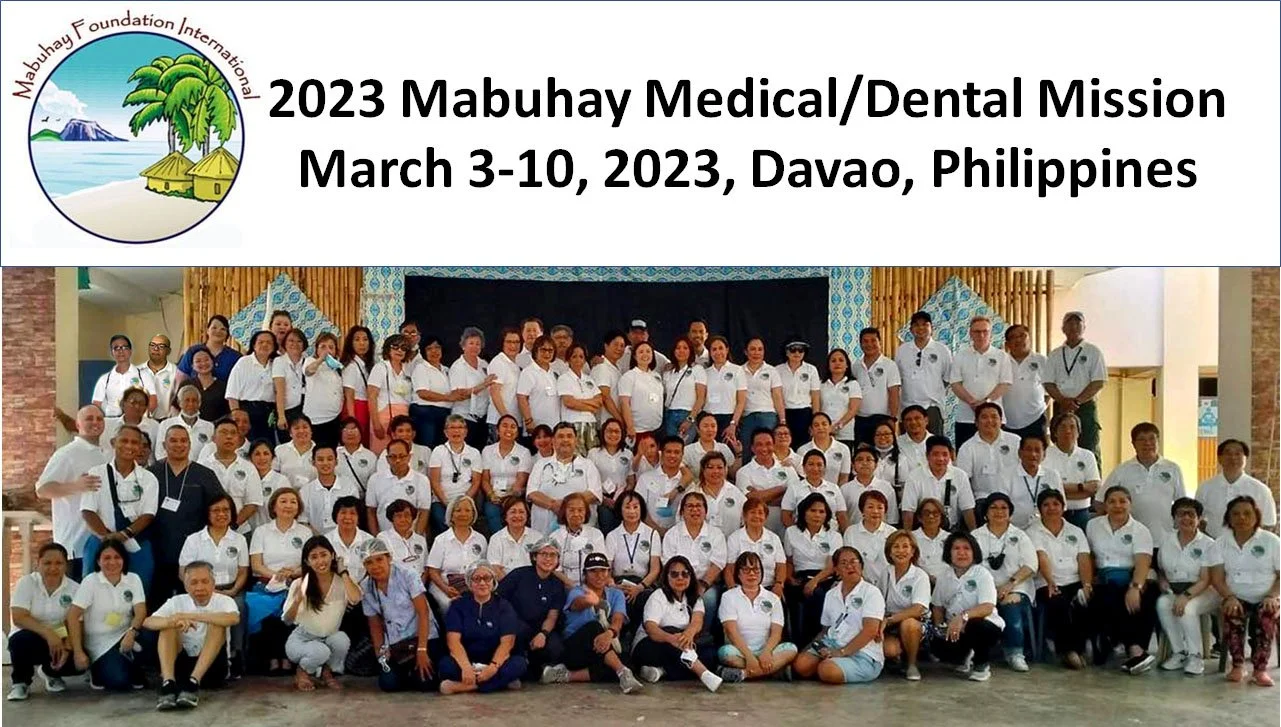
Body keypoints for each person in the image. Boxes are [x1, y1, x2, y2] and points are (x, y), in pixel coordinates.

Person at [146, 425, 226, 612]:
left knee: (194, 606)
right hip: (158, 551)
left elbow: (219, 508)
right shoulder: (151, 473)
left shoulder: (205, 474)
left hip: (195, 553)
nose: (179, 445)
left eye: (183, 441)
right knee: (158, 605)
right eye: (173, 440)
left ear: (190, 445)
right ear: (164, 445)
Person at [540, 552, 644, 693]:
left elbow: (618, 619)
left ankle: (565, 675)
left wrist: (610, 633)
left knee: (628, 662)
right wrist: (591, 601)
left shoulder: (616, 594)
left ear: (609, 572)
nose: (599, 575)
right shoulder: (576, 591)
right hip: (576, 648)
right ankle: (622, 672)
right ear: (585, 574)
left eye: (603, 570)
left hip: (602, 646)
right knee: (594, 627)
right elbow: (577, 604)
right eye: (593, 571)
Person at [145, 561, 240, 709]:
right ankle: (168, 684)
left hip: (212, 669)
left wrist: (191, 616)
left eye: (205, 581)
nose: (200, 587)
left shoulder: (224, 601)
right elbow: (148, 622)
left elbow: (233, 618)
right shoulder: (176, 601)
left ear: (213, 583)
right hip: (181, 666)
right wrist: (173, 620)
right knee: (167, 627)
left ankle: (193, 682)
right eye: (194, 582)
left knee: (217, 625)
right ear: (185, 585)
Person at [1086, 485, 1159, 674]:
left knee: (1145, 596)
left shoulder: (1140, 530)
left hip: (1131, 575)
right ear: (1105, 505)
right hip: (1103, 579)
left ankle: (1135, 649)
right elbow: (1089, 556)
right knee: (1109, 595)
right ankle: (1135, 650)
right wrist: (1089, 580)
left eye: (1122, 501)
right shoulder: (1093, 525)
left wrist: (1135, 587)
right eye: (1112, 501)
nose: (1117, 505)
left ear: (1130, 504)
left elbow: (1143, 561)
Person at [1211, 495, 1281, 685]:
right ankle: (1237, 666)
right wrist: (1229, 597)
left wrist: (1272, 595)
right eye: (1236, 514)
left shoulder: (1271, 541)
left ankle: (1260, 670)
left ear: (1256, 516)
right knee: (1232, 611)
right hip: (1235, 595)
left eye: (1247, 513)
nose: (1241, 518)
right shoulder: (1220, 543)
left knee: (1267, 613)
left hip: (1267, 596)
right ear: (1228, 518)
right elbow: (1217, 578)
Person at [80, 424, 158, 592]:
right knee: (92, 592)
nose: (129, 446)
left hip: (136, 541)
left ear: (140, 447)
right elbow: (87, 510)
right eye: (124, 441)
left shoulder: (148, 478)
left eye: (135, 442)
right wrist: (107, 538)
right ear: (113, 442)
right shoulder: (96, 473)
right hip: (100, 540)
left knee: (138, 592)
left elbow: (148, 515)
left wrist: (123, 535)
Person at [179, 493, 251, 674]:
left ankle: (235, 654)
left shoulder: (239, 539)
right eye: (216, 510)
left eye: (226, 510)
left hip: (231, 589)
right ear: (207, 513)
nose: (221, 514)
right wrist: (204, 591)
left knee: (239, 606)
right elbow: (183, 572)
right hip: (200, 591)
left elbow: (243, 571)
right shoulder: (194, 540)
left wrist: (233, 591)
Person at [361, 538, 445, 693]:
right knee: (388, 684)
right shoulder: (366, 586)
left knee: (427, 684)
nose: (375, 566)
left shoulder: (407, 574)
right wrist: (381, 656)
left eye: (379, 559)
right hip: (396, 644)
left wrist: (422, 650)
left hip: (423, 638)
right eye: (369, 562)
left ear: (389, 558)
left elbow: (423, 612)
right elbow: (375, 624)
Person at [793, 546, 885, 684]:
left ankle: (833, 667)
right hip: (832, 644)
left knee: (827, 670)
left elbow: (870, 631)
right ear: (836, 570)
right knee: (801, 665)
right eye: (843, 563)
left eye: (854, 561)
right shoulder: (831, 594)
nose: (850, 566)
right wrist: (811, 649)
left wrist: (842, 652)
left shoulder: (872, 592)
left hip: (863, 653)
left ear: (861, 566)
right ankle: (833, 666)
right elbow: (826, 629)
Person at [36, 405, 109, 580]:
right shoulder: (67, 454)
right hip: (76, 544)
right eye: (89, 418)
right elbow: (42, 489)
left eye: (99, 419)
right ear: (77, 424)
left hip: (102, 543)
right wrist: (76, 486)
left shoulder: (106, 454)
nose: (95, 422)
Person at [631, 555, 723, 692]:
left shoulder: (694, 598)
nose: (680, 578)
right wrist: (672, 639)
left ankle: (662, 671)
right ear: (666, 577)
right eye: (674, 574)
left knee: (710, 656)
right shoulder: (658, 596)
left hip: (681, 647)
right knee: (671, 630)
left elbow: (697, 621)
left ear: (691, 577)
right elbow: (651, 629)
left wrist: (688, 634)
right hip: (650, 645)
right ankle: (703, 673)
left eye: (685, 574)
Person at [282, 536, 362, 690]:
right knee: (321, 651)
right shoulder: (299, 583)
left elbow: (355, 598)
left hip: (330, 636)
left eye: (324, 555)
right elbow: (287, 620)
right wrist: (297, 601)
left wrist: (344, 572)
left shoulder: (343, 581)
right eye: (314, 557)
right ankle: (302, 672)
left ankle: (327, 673)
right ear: (307, 562)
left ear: (332, 556)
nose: (320, 561)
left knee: (341, 640)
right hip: (302, 640)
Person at [970, 493, 1038, 672]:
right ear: (985, 513)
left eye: (1003, 508)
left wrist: (1009, 585)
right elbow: (970, 566)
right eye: (993, 507)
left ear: (1010, 513)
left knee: (1010, 604)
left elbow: (1031, 565)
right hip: (984, 588)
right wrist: (990, 589)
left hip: (1016, 587)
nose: (999, 511)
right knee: (975, 606)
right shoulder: (976, 535)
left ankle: (1015, 653)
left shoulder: (1020, 535)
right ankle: (974, 654)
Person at [67, 539, 147, 691]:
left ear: (124, 559)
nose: (112, 562)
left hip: (126, 635)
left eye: (117, 557)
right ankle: (97, 671)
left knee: (151, 638)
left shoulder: (133, 579)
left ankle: (129, 666)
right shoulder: (91, 582)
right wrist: (78, 651)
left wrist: (131, 632)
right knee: (120, 681)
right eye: (107, 558)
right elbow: (72, 616)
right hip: (100, 643)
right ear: (98, 561)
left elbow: (141, 611)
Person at [436, 561, 527, 694]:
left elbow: (507, 643)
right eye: (476, 579)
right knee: (446, 666)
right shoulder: (458, 606)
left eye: (487, 578)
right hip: (467, 660)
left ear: (493, 581)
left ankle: (467, 686)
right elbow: (453, 641)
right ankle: (500, 683)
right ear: (469, 583)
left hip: (495, 661)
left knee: (519, 664)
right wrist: (466, 667)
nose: (482, 583)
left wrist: (493, 668)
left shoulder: (504, 606)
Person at [1026, 489, 1093, 669]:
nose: (1051, 508)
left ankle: (1078, 649)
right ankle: (1067, 651)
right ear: (1039, 509)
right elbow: (1041, 557)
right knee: (1059, 604)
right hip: (1046, 583)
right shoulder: (1033, 532)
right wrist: (1050, 581)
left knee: (1085, 603)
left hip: (1074, 581)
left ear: (1063, 507)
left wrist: (1086, 585)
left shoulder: (1076, 531)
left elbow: (1084, 559)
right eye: (1046, 505)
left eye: (1056, 504)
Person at [248, 487, 311, 674]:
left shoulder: (305, 532)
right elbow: (256, 565)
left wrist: (292, 574)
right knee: (264, 608)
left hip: (296, 582)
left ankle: (289, 657)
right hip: (266, 583)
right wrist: (277, 575)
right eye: (283, 501)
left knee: (293, 606)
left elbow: (310, 563)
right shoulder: (261, 531)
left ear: (298, 508)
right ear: (273, 506)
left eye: (293, 502)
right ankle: (272, 658)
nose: (288, 505)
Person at [6, 543, 80, 702]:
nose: (53, 568)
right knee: (20, 641)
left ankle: (51, 673)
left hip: (61, 635)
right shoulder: (26, 583)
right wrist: (48, 634)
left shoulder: (74, 588)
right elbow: (19, 617)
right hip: (31, 633)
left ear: (66, 565)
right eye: (47, 563)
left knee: (78, 663)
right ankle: (20, 683)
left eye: (59, 563)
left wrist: (67, 647)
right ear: (38, 563)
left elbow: (74, 622)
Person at [1155, 497, 1219, 675]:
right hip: (1175, 589)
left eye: (1191, 514)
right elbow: (1161, 570)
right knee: (1162, 604)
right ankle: (1179, 652)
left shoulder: (1208, 544)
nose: (1186, 518)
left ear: (1199, 518)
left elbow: (1206, 579)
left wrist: (1186, 596)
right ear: (1174, 518)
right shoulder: (1166, 541)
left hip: (1206, 591)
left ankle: (1195, 656)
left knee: (1187, 608)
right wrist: (1162, 581)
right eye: (1180, 514)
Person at [930, 531, 1005, 681]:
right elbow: (938, 607)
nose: (961, 553)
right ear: (949, 553)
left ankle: (981, 666)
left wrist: (962, 617)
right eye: (956, 548)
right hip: (955, 628)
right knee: (936, 646)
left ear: (974, 552)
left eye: (966, 548)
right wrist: (940, 629)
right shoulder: (944, 576)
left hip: (984, 625)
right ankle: (965, 656)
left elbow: (987, 607)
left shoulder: (982, 574)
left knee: (975, 626)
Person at [717, 551, 797, 682]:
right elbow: (731, 631)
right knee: (725, 653)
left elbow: (776, 633)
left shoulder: (773, 598)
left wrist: (766, 653)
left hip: (767, 652)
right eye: (746, 570)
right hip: (740, 652)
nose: (752, 574)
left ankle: (743, 674)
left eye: (756, 570)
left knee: (791, 649)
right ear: (738, 574)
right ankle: (774, 671)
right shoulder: (728, 597)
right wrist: (749, 658)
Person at [1099, 422, 1187, 541]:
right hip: (1130, 539)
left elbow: (1182, 504)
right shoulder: (1122, 470)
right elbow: (1100, 501)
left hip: (1165, 539)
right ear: (1133, 444)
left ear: (1158, 441)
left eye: (1152, 438)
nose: (1147, 443)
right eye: (1142, 439)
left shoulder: (1173, 469)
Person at [495, 537, 566, 676]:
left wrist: (543, 634)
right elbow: (498, 599)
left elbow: (552, 616)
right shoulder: (518, 575)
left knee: (556, 648)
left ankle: (535, 669)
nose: (548, 559)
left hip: (540, 628)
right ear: (534, 557)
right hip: (514, 625)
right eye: (543, 554)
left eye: (553, 555)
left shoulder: (557, 584)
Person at [1044, 311, 1107, 460]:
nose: (1073, 326)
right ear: (1063, 328)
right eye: (1069, 323)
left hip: (1085, 406)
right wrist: (1063, 401)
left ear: (1084, 327)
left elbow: (1098, 381)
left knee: (1089, 447)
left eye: (1078, 323)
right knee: (1060, 447)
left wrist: (1077, 401)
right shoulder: (1055, 354)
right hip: (1061, 406)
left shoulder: (1093, 352)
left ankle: (1092, 475)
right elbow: (1048, 382)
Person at [784, 493, 842, 645]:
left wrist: (814, 581)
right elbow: (789, 561)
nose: (817, 515)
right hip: (800, 577)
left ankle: (814, 642)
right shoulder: (791, 532)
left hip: (824, 578)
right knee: (790, 595)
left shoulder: (834, 536)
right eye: (813, 510)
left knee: (817, 594)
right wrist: (789, 577)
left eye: (821, 511)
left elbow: (831, 567)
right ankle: (795, 643)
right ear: (804, 512)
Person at [948, 316, 1013, 449]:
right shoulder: (961, 356)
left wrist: (986, 402)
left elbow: (1005, 383)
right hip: (966, 417)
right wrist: (972, 402)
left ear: (991, 333)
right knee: (965, 455)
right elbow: (955, 383)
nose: (981, 335)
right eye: (977, 332)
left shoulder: (1002, 356)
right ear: (970, 333)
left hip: (993, 418)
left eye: (985, 331)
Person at [527, 423, 603, 534]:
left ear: (576, 440)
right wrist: (553, 505)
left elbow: (594, 493)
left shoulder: (588, 465)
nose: (565, 440)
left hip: (581, 533)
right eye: (561, 436)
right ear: (553, 441)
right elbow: (532, 493)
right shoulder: (541, 464)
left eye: (569, 436)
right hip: (544, 531)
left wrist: (568, 506)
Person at [663, 491, 728, 619]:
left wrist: (703, 585)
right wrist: (683, 584)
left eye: (699, 506)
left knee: (708, 599)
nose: (695, 510)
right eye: (690, 506)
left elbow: (717, 564)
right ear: (682, 512)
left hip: (706, 584)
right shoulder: (672, 534)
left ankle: (703, 631)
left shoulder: (716, 534)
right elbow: (668, 564)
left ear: (705, 511)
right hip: (677, 582)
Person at [955, 402, 1022, 522]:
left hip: (1014, 497)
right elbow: (963, 482)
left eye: (994, 417)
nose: (989, 421)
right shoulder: (967, 448)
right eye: (984, 417)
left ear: (1001, 420)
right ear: (976, 422)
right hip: (983, 500)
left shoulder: (1016, 441)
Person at [1197, 439, 1278, 539]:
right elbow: (1197, 520)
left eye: (1238, 453)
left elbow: (1269, 524)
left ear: (1245, 458)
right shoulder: (1205, 488)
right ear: (1219, 458)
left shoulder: (1260, 489)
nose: (1233, 457)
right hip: (1215, 545)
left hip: (1249, 546)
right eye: (1228, 453)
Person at [878, 530, 931, 681]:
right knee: (890, 650)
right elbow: (880, 600)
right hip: (890, 621)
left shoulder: (920, 575)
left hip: (915, 622)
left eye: (905, 546)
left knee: (909, 624)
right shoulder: (886, 572)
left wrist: (890, 620)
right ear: (889, 552)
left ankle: (912, 664)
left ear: (913, 551)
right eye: (896, 547)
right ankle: (896, 658)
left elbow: (918, 609)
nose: (900, 551)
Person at [603, 491, 663, 617]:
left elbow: (655, 569)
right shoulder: (612, 536)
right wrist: (613, 585)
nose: (632, 511)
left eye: (635, 507)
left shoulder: (652, 534)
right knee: (617, 598)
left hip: (643, 583)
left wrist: (640, 587)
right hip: (619, 584)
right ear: (620, 509)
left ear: (641, 509)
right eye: (627, 507)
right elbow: (607, 568)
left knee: (646, 599)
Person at [901, 435, 977, 532]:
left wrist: (974, 534)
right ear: (927, 456)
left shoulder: (960, 475)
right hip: (923, 529)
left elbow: (967, 509)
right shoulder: (914, 476)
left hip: (952, 529)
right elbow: (908, 510)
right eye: (935, 454)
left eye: (945, 454)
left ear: (950, 455)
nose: (941, 459)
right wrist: (908, 535)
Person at [200, 420, 263, 534]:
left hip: (240, 531)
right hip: (208, 531)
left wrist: (233, 525)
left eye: (233, 433)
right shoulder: (203, 466)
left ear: (238, 439)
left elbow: (253, 503)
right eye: (224, 432)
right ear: (213, 438)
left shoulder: (248, 467)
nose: (229, 437)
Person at [426, 496, 488, 610]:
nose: (463, 514)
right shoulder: (441, 540)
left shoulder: (481, 539)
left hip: (472, 585)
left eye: (467, 510)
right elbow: (433, 571)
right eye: (458, 510)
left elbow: (484, 568)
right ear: (451, 515)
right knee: (454, 605)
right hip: (445, 585)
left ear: (473, 514)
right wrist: (445, 588)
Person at [1043, 412, 1102, 530]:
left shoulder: (1087, 455)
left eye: (1072, 427)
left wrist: (1061, 489)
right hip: (1054, 514)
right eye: (1063, 427)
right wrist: (1082, 487)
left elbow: (1094, 487)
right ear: (1055, 432)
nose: (1068, 431)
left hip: (1082, 514)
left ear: (1078, 433)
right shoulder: (1046, 454)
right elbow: (1045, 488)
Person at [895, 311, 951, 435]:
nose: (920, 328)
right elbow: (898, 380)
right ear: (911, 329)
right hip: (907, 407)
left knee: (934, 444)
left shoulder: (942, 350)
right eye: (916, 325)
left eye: (925, 324)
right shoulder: (902, 350)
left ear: (932, 328)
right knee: (907, 444)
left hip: (932, 407)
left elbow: (947, 379)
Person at [992, 434, 1064, 530]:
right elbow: (1000, 507)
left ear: (1044, 455)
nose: (1033, 454)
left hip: (1045, 530)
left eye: (1037, 450)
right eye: (1029, 450)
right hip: (1014, 529)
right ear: (1019, 453)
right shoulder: (1005, 475)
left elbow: (1061, 507)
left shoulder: (1053, 475)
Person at [736, 428, 801, 533]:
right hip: (756, 531)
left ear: (774, 445)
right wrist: (782, 489)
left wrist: (762, 496)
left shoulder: (788, 469)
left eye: (768, 444)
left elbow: (795, 497)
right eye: (759, 444)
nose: (764, 448)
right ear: (752, 448)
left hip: (786, 529)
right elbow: (751, 500)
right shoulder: (743, 472)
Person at [428, 415, 483, 534]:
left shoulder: (474, 453)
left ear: (466, 432)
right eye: (452, 427)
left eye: (460, 427)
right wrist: (448, 504)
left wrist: (464, 501)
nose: (456, 431)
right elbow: (434, 482)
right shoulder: (438, 451)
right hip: (442, 501)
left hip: (465, 500)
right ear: (445, 432)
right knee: (444, 523)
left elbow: (476, 482)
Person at [481, 415, 534, 534]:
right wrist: (491, 495)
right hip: (494, 495)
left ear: (517, 432)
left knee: (514, 509)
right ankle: (499, 539)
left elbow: (521, 480)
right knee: (491, 510)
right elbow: (485, 479)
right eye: (505, 426)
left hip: (514, 496)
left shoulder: (524, 452)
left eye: (513, 427)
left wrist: (508, 497)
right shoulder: (487, 451)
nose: (509, 429)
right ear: (497, 430)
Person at [365, 439, 432, 535]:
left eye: (402, 456)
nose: (398, 460)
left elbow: (424, 512)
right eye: (393, 457)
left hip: (411, 536)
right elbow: (371, 510)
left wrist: (416, 537)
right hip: (384, 536)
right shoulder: (375, 479)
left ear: (409, 457)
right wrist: (377, 537)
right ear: (387, 459)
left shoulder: (422, 480)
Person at [725, 498, 787, 598]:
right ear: (744, 516)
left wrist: (779, 584)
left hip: (769, 588)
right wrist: (733, 591)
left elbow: (781, 566)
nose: (757, 516)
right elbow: (729, 569)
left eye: (760, 513)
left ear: (766, 517)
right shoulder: (734, 538)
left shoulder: (774, 538)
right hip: (741, 589)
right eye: (752, 512)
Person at [226, 331, 279, 445]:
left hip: (268, 414)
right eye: (261, 342)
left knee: (266, 446)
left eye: (269, 342)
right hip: (246, 413)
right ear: (254, 345)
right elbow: (232, 394)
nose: (265, 345)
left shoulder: (277, 364)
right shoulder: (243, 362)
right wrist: (236, 418)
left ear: (274, 347)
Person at [548, 492, 610, 587]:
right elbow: (554, 568)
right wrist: (572, 586)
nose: (576, 514)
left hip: (591, 586)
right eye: (571, 510)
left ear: (586, 512)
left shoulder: (596, 534)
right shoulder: (555, 537)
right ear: (564, 512)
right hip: (563, 587)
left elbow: (601, 565)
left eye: (580, 510)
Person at [852, 328, 901, 446]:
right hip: (860, 419)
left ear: (880, 342)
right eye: (865, 341)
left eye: (873, 340)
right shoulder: (855, 366)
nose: (869, 344)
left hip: (882, 419)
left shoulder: (889, 365)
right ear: (860, 344)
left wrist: (892, 419)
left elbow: (894, 393)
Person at [449, 327, 496, 450]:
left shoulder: (484, 364)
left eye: (478, 344)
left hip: (482, 418)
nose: (475, 347)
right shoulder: (458, 367)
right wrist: (483, 385)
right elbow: (459, 394)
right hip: (464, 418)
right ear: (463, 346)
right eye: (471, 343)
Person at [367, 334, 414, 455]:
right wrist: (376, 424)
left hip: (403, 417)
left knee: (402, 452)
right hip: (383, 415)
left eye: (403, 348)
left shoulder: (407, 369)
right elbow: (372, 396)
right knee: (382, 452)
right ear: (388, 348)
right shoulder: (380, 367)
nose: (399, 350)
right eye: (395, 346)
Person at [406, 334, 455, 449]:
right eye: (429, 348)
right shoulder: (421, 368)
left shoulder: (446, 370)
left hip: (444, 414)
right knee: (427, 448)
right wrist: (448, 398)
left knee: (441, 450)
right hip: (426, 414)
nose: (434, 351)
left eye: (437, 347)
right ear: (424, 352)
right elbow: (423, 393)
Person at [1001, 324, 1049, 440]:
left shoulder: (1042, 360)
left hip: (1035, 421)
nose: (1018, 340)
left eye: (1022, 335)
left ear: (1029, 338)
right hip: (1007, 423)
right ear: (1007, 344)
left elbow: (1050, 390)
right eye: (1013, 337)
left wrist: (1042, 408)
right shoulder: (1001, 362)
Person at [739, 337, 785, 455]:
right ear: (746, 352)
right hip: (747, 417)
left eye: (760, 349)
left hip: (768, 417)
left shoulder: (772, 371)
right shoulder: (739, 371)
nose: (756, 353)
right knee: (748, 452)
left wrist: (782, 420)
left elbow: (777, 397)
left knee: (767, 452)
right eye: (753, 349)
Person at [92, 334, 158, 418]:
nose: (120, 351)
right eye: (116, 348)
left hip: (138, 420)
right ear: (112, 353)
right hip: (112, 420)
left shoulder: (144, 375)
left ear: (130, 351)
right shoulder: (104, 379)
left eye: (124, 347)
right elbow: (96, 404)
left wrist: (141, 417)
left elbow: (153, 401)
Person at [298, 445, 360, 532]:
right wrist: (318, 537)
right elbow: (303, 521)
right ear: (313, 462)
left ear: (336, 462)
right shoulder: (305, 491)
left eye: (330, 459)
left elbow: (355, 516)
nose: (325, 463)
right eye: (320, 460)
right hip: (315, 538)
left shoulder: (349, 487)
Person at [782, 450, 849, 531]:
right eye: (811, 464)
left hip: (830, 534)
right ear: (803, 467)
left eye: (819, 465)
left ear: (825, 468)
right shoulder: (794, 488)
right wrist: (797, 533)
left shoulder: (834, 488)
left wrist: (845, 534)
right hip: (802, 534)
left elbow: (841, 515)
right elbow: (786, 515)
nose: (815, 468)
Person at [301, 332, 345, 449]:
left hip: (335, 417)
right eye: (323, 347)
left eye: (331, 347)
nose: (327, 350)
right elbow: (308, 371)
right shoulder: (310, 361)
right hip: (315, 419)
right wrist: (321, 359)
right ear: (316, 349)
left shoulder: (337, 367)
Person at [843, 490, 896, 586]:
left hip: (888, 584)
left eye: (880, 507)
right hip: (860, 584)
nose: (875, 511)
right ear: (862, 510)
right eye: (870, 507)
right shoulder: (851, 532)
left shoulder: (892, 533)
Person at [589, 417, 632, 533]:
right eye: (609, 431)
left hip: (622, 501)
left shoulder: (628, 454)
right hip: (602, 500)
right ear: (603, 432)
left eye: (617, 431)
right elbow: (590, 481)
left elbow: (631, 480)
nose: (613, 434)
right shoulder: (593, 453)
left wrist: (623, 498)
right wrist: (603, 499)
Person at [558, 342, 604, 454]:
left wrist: (579, 402)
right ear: (568, 359)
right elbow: (569, 402)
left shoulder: (589, 379)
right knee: (576, 456)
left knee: (592, 455)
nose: (578, 360)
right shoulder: (564, 378)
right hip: (573, 423)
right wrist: (590, 406)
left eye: (581, 357)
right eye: (574, 356)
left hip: (590, 423)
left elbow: (599, 401)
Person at [636, 435, 688, 532]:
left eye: (677, 452)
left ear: (682, 455)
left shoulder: (687, 482)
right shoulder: (645, 478)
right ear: (661, 453)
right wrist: (657, 531)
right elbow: (640, 508)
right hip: (649, 533)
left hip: (679, 535)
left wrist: (672, 534)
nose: (672, 455)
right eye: (668, 452)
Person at [662, 337, 708, 441]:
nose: (681, 351)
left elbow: (701, 398)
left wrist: (690, 419)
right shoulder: (668, 372)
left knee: (685, 447)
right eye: (678, 348)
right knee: (671, 446)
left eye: (685, 348)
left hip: (687, 414)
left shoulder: (697, 369)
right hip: (669, 415)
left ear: (690, 351)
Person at [841, 445, 899, 527]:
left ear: (876, 465)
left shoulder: (886, 487)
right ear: (853, 465)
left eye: (869, 460)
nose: (864, 463)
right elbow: (842, 517)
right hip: (854, 533)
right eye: (860, 459)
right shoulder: (845, 489)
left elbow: (892, 518)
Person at [704, 335, 748, 444]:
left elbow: (741, 401)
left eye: (721, 348)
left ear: (727, 350)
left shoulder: (737, 370)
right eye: (714, 349)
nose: (718, 352)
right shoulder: (705, 373)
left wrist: (733, 424)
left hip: (729, 419)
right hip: (709, 419)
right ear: (710, 352)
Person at [619, 341, 665, 443]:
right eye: (641, 352)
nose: (645, 354)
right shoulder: (629, 376)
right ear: (635, 356)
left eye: (648, 351)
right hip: (637, 430)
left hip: (657, 429)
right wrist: (630, 427)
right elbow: (624, 403)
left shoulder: (656, 376)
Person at [695, 451, 748, 539]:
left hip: (730, 544)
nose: (715, 471)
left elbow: (747, 522)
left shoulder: (736, 493)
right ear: (703, 470)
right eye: (710, 467)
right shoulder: (693, 493)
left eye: (720, 467)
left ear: (725, 469)